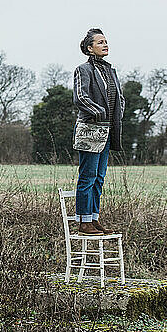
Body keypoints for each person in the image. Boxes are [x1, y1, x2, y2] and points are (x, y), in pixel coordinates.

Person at [71, 28, 124, 234]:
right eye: (100, 42)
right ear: (89, 48)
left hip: (108, 131)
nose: (105, 44)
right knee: (88, 176)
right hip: (90, 130)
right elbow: (81, 97)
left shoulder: (111, 71)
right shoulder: (83, 70)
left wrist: (118, 114)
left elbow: (119, 98)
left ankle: (93, 219)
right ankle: (83, 221)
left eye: (106, 41)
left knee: (99, 178)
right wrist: (100, 112)